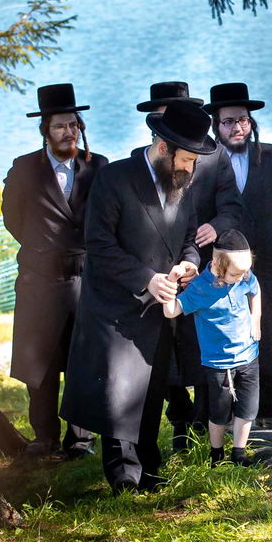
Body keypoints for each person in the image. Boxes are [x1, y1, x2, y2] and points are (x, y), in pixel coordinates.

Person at [62, 100, 211, 492]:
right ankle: (123, 474)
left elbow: (190, 237)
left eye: (195, 161)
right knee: (119, 389)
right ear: (163, 149)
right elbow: (99, 243)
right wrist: (146, 279)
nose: (190, 169)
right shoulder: (115, 179)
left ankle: (149, 467)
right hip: (116, 303)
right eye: (186, 160)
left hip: (160, 307)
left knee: (151, 390)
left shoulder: (184, 182)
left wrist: (189, 264)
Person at [135, 81, 244, 451]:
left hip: (205, 266)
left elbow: (233, 206)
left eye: (172, 114)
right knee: (166, 351)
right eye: (159, 116)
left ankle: (202, 425)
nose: (164, 122)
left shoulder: (215, 157)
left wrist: (218, 225)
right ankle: (178, 417)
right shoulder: (142, 158)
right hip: (161, 270)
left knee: (202, 349)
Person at [2, 83, 106, 459]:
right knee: (40, 363)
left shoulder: (98, 167)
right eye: (61, 126)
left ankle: (80, 439)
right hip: (39, 280)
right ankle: (44, 437)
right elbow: (12, 219)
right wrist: (43, 247)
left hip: (84, 279)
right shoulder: (25, 168)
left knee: (83, 360)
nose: (69, 132)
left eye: (73, 125)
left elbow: (107, 219)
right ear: (45, 129)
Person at [204, 82, 272, 430]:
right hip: (222, 265)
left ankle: (268, 407)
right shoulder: (205, 161)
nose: (237, 127)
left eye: (243, 120)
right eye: (228, 121)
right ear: (216, 126)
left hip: (267, 259)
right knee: (226, 330)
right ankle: (227, 410)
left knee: (269, 329)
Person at [165, 229, 261, 466]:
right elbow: (172, 311)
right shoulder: (199, 288)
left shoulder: (244, 275)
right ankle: (216, 452)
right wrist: (169, 283)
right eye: (236, 273)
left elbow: (255, 291)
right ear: (218, 264)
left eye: (244, 272)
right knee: (219, 412)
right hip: (218, 362)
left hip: (248, 355)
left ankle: (239, 453)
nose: (242, 277)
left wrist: (255, 320)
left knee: (248, 408)